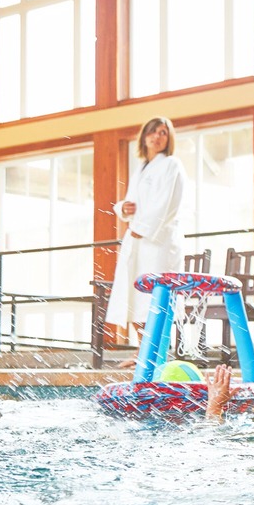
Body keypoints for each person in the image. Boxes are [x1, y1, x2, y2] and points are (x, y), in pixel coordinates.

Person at [106, 117, 188, 367]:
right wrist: (122, 208)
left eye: (163, 133)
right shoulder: (141, 167)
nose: (157, 137)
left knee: (154, 295)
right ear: (144, 137)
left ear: (168, 138)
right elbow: (130, 203)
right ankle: (141, 350)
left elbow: (167, 203)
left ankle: (154, 351)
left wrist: (142, 228)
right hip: (137, 240)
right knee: (134, 293)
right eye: (153, 132)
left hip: (157, 241)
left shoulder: (171, 165)